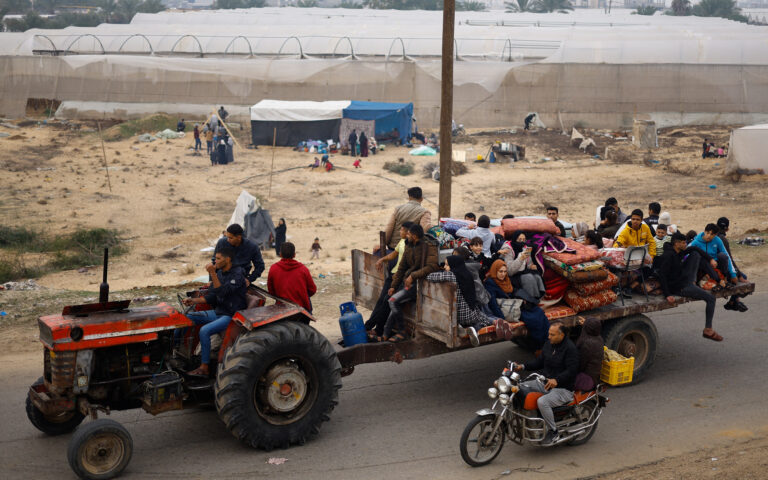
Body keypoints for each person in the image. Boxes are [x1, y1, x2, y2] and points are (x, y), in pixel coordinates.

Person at [182, 248, 247, 376]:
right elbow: (213, 295)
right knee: (186, 317)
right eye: (215, 259)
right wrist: (194, 301)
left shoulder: (237, 275)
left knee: (205, 330)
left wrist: (212, 273)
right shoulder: (221, 273)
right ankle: (183, 354)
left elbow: (222, 292)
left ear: (227, 259)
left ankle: (204, 366)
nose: (215, 261)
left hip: (231, 315)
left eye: (218, 259)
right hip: (218, 312)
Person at [513, 322, 579, 445]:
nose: (549, 337)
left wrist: (557, 380)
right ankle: (527, 419)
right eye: (549, 334)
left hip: (563, 388)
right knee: (518, 388)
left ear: (562, 335)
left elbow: (572, 371)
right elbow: (539, 362)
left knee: (542, 402)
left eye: (552, 335)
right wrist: (522, 366)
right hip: (544, 382)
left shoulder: (570, 349)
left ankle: (553, 431)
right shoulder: (549, 344)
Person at [656, 232, 725, 341]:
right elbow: (662, 275)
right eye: (683, 243)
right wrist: (667, 294)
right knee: (711, 299)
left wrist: (711, 260)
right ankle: (708, 329)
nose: (685, 245)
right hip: (679, 287)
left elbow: (694, 248)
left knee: (695, 254)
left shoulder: (678, 251)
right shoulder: (668, 256)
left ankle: (697, 281)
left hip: (683, 279)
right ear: (676, 243)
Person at [384, 224, 439, 341]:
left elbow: (432, 266)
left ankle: (401, 332)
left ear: (414, 236)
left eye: (408, 234)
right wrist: (393, 286)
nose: (406, 235)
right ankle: (385, 333)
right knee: (392, 301)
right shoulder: (409, 245)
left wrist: (413, 276)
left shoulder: (429, 246)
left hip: (419, 284)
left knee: (393, 301)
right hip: (408, 282)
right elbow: (402, 267)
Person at [427, 255, 495, 347]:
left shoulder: (451, 275)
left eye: (447, 265)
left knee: (482, 318)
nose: (444, 267)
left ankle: (465, 328)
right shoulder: (467, 273)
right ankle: (475, 328)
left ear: (453, 265)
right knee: (485, 319)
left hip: (457, 315)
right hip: (469, 311)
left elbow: (430, 277)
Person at [366, 222, 414, 341]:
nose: (400, 232)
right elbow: (394, 254)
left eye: (402, 230)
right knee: (382, 301)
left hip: (399, 278)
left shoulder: (412, 245)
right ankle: (371, 326)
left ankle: (377, 329)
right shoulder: (402, 241)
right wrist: (382, 259)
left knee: (387, 302)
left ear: (408, 232)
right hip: (393, 275)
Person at [377, 186, 432, 252]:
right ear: (421, 199)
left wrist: (383, 244)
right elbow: (425, 229)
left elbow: (389, 228)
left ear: (409, 198)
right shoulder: (424, 212)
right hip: (410, 249)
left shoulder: (398, 209)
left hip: (393, 247)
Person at [267, 242, 316, 314]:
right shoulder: (303, 269)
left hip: (281, 308)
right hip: (301, 309)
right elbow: (312, 289)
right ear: (294, 255)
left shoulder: (273, 268)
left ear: (280, 254)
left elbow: (271, 291)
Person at [715, 217, 748, 312]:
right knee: (743, 278)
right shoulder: (722, 239)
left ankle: (735, 301)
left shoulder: (713, 235)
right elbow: (729, 260)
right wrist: (739, 275)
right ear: (727, 229)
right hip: (721, 270)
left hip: (713, 267)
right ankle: (733, 302)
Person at [503, 231, 545, 300]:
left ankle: (537, 298)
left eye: (524, 240)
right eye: (519, 240)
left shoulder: (525, 248)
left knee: (537, 276)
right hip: (512, 275)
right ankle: (530, 300)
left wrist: (531, 266)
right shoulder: (508, 249)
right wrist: (520, 259)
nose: (522, 242)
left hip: (522, 272)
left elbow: (528, 263)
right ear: (514, 239)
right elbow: (510, 271)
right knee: (529, 277)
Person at [575, 318, 603, 392]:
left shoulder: (587, 344)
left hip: (587, 379)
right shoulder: (598, 337)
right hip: (594, 376)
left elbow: (581, 364)